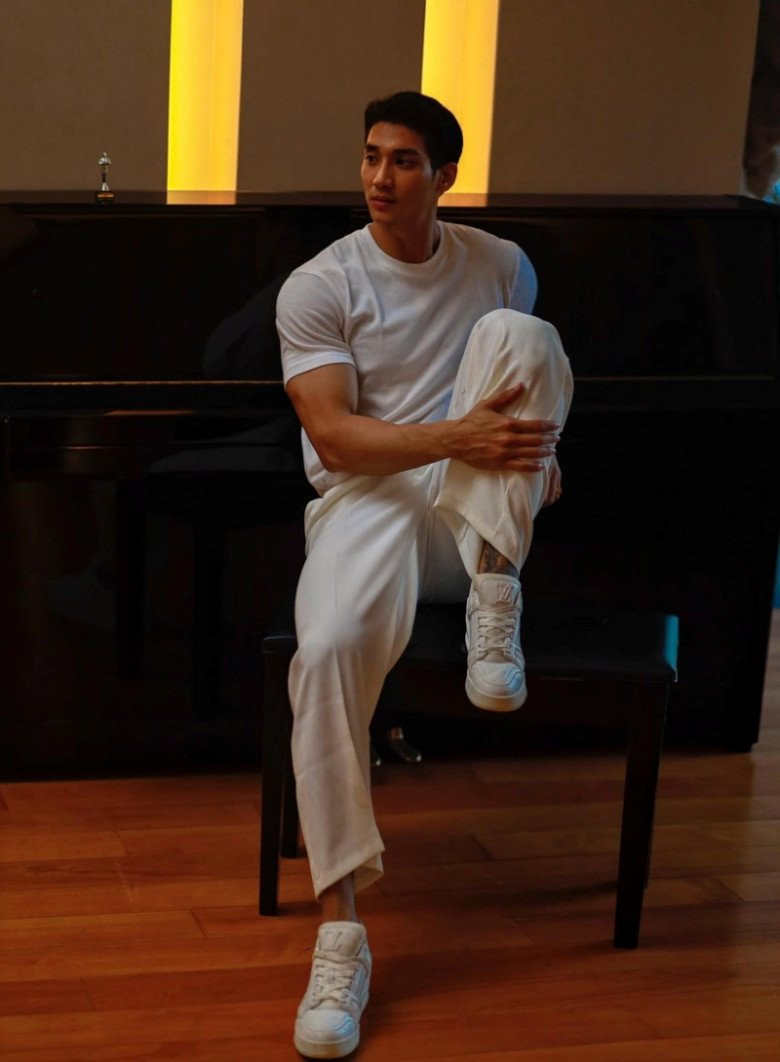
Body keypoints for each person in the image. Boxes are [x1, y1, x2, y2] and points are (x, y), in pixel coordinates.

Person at [276, 90, 573, 1059]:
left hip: (471, 512)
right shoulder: (320, 284)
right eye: (370, 156)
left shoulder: (503, 265)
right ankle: (340, 936)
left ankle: (496, 593)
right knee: (325, 649)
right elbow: (333, 436)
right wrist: (461, 438)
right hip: (368, 503)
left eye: (403, 161)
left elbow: (520, 399)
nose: (379, 177)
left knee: (529, 339)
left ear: (444, 175)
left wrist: (532, 455)